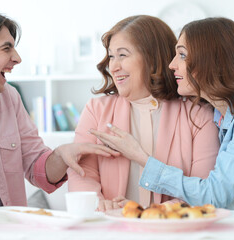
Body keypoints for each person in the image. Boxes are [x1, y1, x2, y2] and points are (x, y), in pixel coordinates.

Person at [0, 6, 119, 210]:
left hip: (6, 227)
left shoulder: (9, 98)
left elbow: (36, 167)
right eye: (6, 48)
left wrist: (60, 155)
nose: (17, 58)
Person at [91, 17, 234, 210]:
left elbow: (213, 196)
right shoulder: (221, 116)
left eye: (182, 55)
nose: (172, 64)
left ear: (211, 60)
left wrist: (141, 158)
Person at [67, 15, 220, 211]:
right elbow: (82, 171)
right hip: (111, 228)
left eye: (122, 55)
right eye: (111, 56)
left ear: (152, 58)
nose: (113, 66)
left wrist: (150, 214)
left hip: (172, 230)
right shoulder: (96, 110)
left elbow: (203, 189)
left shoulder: (198, 114)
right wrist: (98, 204)